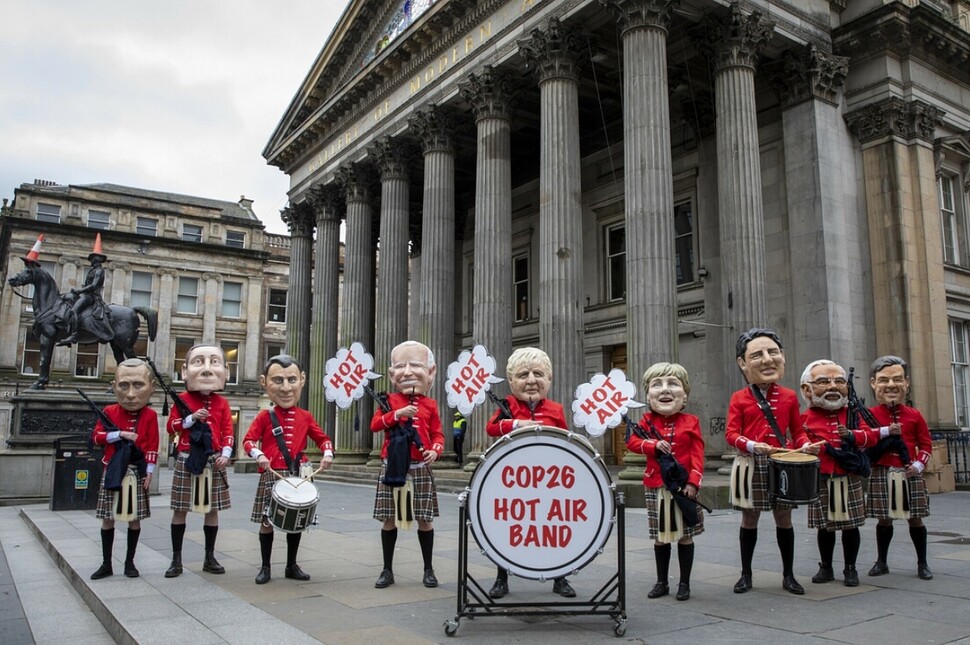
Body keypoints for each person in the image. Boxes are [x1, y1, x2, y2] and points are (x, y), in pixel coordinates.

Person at [725, 328, 814, 595]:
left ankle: (788, 575)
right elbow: (731, 434)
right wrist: (752, 445)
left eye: (773, 352)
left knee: (784, 518)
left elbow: (797, 432)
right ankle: (746, 575)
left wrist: (806, 445)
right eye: (758, 354)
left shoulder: (788, 396)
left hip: (781, 464)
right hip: (750, 465)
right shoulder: (739, 398)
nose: (767, 359)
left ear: (782, 357)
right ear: (743, 363)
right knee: (749, 518)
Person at [484, 346, 576, 599]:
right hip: (514, 482)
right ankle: (501, 578)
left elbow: (566, 440)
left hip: (550, 482)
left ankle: (560, 578)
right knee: (507, 529)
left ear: (549, 379)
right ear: (512, 381)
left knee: (552, 529)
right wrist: (517, 424)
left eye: (538, 373)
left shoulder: (555, 409)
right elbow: (491, 428)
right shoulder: (507, 405)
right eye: (523, 375)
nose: (532, 380)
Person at [243, 354, 334, 584]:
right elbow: (248, 441)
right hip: (272, 474)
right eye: (278, 381)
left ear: (302, 380)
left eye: (291, 380)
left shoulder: (305, 416)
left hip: (297, 476)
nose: (285, 388)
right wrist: (259, 455)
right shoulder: (266, 416)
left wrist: (328, 454)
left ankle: (291, 565)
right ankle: (265, 567)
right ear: (265, 383)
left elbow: (323, 439)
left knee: (297, 523)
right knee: (267, 522)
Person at [800, 359, 891, 586]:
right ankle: (826, 567)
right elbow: (798, 441)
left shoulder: (853, 414)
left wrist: (851, 435)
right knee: (825, 526)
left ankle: (850, 569)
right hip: (822, 476)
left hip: (848, 474)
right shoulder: (805, 418)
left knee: (850, 525)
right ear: (807, 388)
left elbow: (871, 436)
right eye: (823, 381)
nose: (833, 386)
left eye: (838, 381)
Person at [627, 362, 705, 601]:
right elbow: (632, 443)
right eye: (656, 385)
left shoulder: (691, 421)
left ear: (684, 395)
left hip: (683, 488)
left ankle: (684, 583)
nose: (665, 390)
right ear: (648, 396)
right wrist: (651, 445)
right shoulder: (645, 422)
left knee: (684, 534)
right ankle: (661, 582)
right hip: (657, 485)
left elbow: (697, 455)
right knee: (661, 536)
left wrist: (693, 483)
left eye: (672, 384)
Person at [370, 340, 445, 589]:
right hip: (393, 466)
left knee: (425, 519)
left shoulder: (430, 404)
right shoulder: (388, 401)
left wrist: (435, 450)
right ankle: (387, 570)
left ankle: (428, 569)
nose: (408, 371)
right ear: (392, 374)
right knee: (389, 519)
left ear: (430, 371)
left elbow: (438, 435)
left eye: (415, 365)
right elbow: (375, 425)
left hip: (419, 467)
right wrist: (397, 415)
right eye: (401, 366)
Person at [164, 344, 234, 578]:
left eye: (214, 362)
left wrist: (225, 453)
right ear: (185, 371)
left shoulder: (222, 403)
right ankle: (176, 560)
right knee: (180, 509)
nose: (206, 370)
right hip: (187, 457)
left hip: (213, 459)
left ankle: (209, 557)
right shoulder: (182, 399)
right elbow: (170, 427)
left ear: (225, 371)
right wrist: (190, 418)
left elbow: (227, 431)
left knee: (212, 510)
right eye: (198, 363)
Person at [865, 355, 934, 580]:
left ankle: (922, 563)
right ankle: (881, 561)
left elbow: (925, 445)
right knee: (884, 519)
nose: (891, 385)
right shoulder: (869, 415)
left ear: (907, 383)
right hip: (881, 471)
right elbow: (864, 441)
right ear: (873, 383)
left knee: (915, 518)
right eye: (884, 380)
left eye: (897, 379)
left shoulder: (914, 416)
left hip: (908, 472)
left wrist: (918, 464)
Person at [89, 358, 159, 580]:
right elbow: (97, 437)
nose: (130, 394)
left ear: (151, 388)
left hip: (136, 472)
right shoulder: (109, 411)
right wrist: (119, 434)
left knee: (134, 518)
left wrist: (148, 471)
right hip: (113, 469)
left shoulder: (150, 415)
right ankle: (106, 563)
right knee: (107, 517)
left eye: (138, 385)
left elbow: (152, 446)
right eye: (124, 386)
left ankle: (130, 563)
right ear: (114, 386)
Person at [61, 233, 112, 345]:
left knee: (74, 310)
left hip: (91, 297)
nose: (91, 260)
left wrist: (80, 290)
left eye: (92, 258)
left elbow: (94, 286)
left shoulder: (99, 271)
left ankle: (74, 336)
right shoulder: (92, 270)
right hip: (86, 295)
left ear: (97, 259)